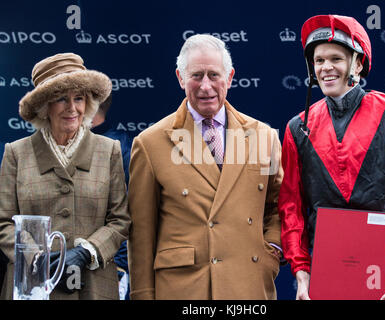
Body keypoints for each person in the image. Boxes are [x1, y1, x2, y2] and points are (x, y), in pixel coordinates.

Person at [278, 14, 385, 300]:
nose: (326, 68)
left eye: (336, 59)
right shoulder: (297, 127)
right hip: (323, 274)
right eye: (318, 61)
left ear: (358, 63)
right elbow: (291, 206)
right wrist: (301, 274)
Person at [127, 34, 284, 300]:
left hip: (247, 287)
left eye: (214, 75)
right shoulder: (150, 143)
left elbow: (278, 205)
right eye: (196, 76)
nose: (206, 86)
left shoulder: (263, 136)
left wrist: (272, 249)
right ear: (180, 78)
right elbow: (141, 235)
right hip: (183, 291)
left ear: (230, 77)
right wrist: (143, 295)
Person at [0, 53, 131, 300]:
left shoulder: (109, 150)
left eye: (79, 98)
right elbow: (3, 222)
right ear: (44, 107)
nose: (72, 108)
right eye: (61, 99)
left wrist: (86, 252)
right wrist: (34, 256)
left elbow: (120, 220)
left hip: (93, 287)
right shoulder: (16, 153)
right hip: (33, 286)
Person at [91, 94, 132, 300]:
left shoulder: (121, 147)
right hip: (67, 263)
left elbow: (130, 216)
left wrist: (121, 267)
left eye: (78, 100)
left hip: (109, 265)